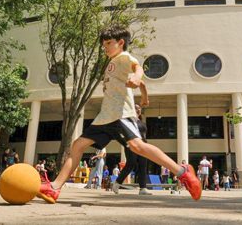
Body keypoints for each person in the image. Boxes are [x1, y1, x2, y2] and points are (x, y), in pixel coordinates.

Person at [37, 26, 201, 203]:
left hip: (120, 113)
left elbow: (138, 68)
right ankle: (54, 188)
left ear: (120, 43)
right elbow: (141, 83)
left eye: (108, 43)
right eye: (103, 44)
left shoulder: (123, 57)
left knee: (138, 147)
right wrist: (144, 97)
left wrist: (137, 77)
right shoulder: (111, 63)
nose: (105, 47)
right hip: (105, 117)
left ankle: (183, 173)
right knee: (77, 145)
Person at [112, 104, 152, 195]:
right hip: (132, 145)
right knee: (131, 164)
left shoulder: (141, 122)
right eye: (136, 108)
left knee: (143, 165)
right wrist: (126, 143)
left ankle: (143, 188)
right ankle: (117, 183)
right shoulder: (127, 121)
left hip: (143, 145)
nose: (138, 110)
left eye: (139, 108)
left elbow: (143, 135)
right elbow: (119, 133)